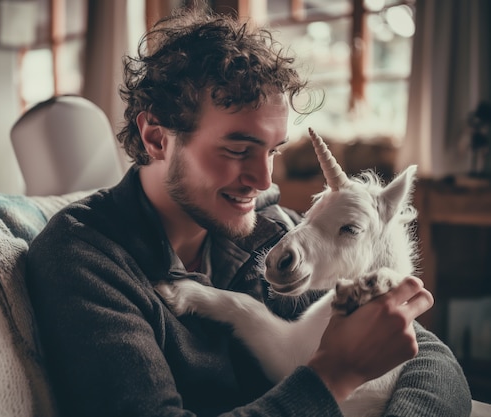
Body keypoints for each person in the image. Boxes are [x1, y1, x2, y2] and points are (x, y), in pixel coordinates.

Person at [26, 5, 471, 417]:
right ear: (157, 138)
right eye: (238, 149)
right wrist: (334, 376)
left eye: (273, 151)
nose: (263, 180)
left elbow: (425, 353)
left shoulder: (275, 230)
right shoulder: (83, 260)